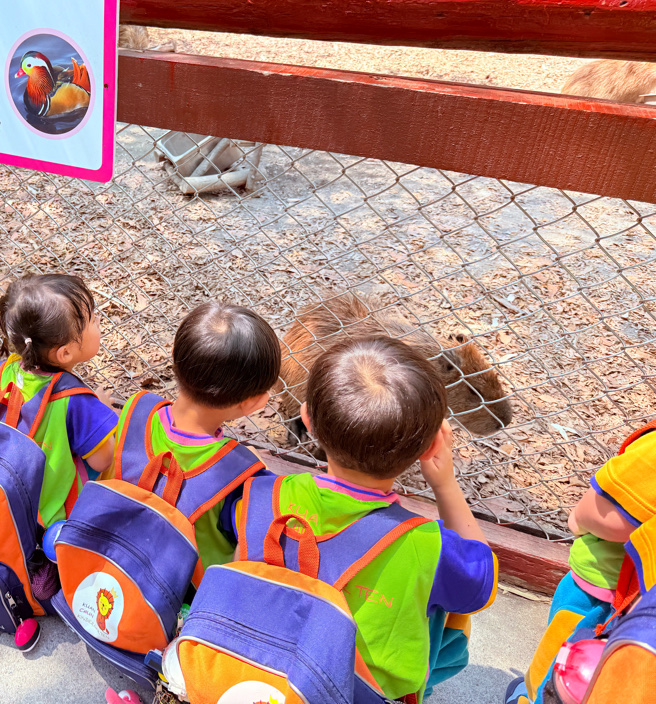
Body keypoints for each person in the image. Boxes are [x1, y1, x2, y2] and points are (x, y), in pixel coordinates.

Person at [237, 336, 497, 703]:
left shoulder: (261, 494)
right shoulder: (427, 544)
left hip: (256, 668)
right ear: (429, 447)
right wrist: (445, 485)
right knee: (451, 613)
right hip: (359, 692)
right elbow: (481, 584)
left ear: (308, 419)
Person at [117, 301, 281, 572]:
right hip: (185, 589)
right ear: (253, 404)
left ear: (175, 357)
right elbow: (252, 543)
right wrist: (249, 464)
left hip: (115, 556)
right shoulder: (241, 473)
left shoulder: (136, 409)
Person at [504, 421, 656, 704]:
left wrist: (578, 518)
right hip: (633, 600)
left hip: (603, 590)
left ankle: (532, 696)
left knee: (567, 657)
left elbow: (608, 517)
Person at [0, 273, 118, 529]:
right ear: (65, 353)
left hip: (2, 493)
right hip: (46, 517)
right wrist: (103, 413)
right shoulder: (78, 401)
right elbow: (102, 460)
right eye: (92, 319)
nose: (98, 320)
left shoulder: (1, 372)